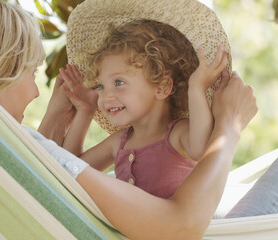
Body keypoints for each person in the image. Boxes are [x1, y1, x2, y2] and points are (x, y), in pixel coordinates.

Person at [0, 0, 278, 239]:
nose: (36, 91)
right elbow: (181, 226)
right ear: (2, 69)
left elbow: (61, 171)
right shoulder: (16, 149)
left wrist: (61, 115)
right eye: (30, 72)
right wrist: (229, 125)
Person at [59, 19, 229, 199]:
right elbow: (70, 170)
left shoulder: (178, 133)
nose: (105, 96)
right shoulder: (119, 142)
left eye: (118, 82)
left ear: (162, 87)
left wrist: (196, 88)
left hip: (181, 226)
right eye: (101, 86)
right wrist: (85, 111)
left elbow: (201, 149)